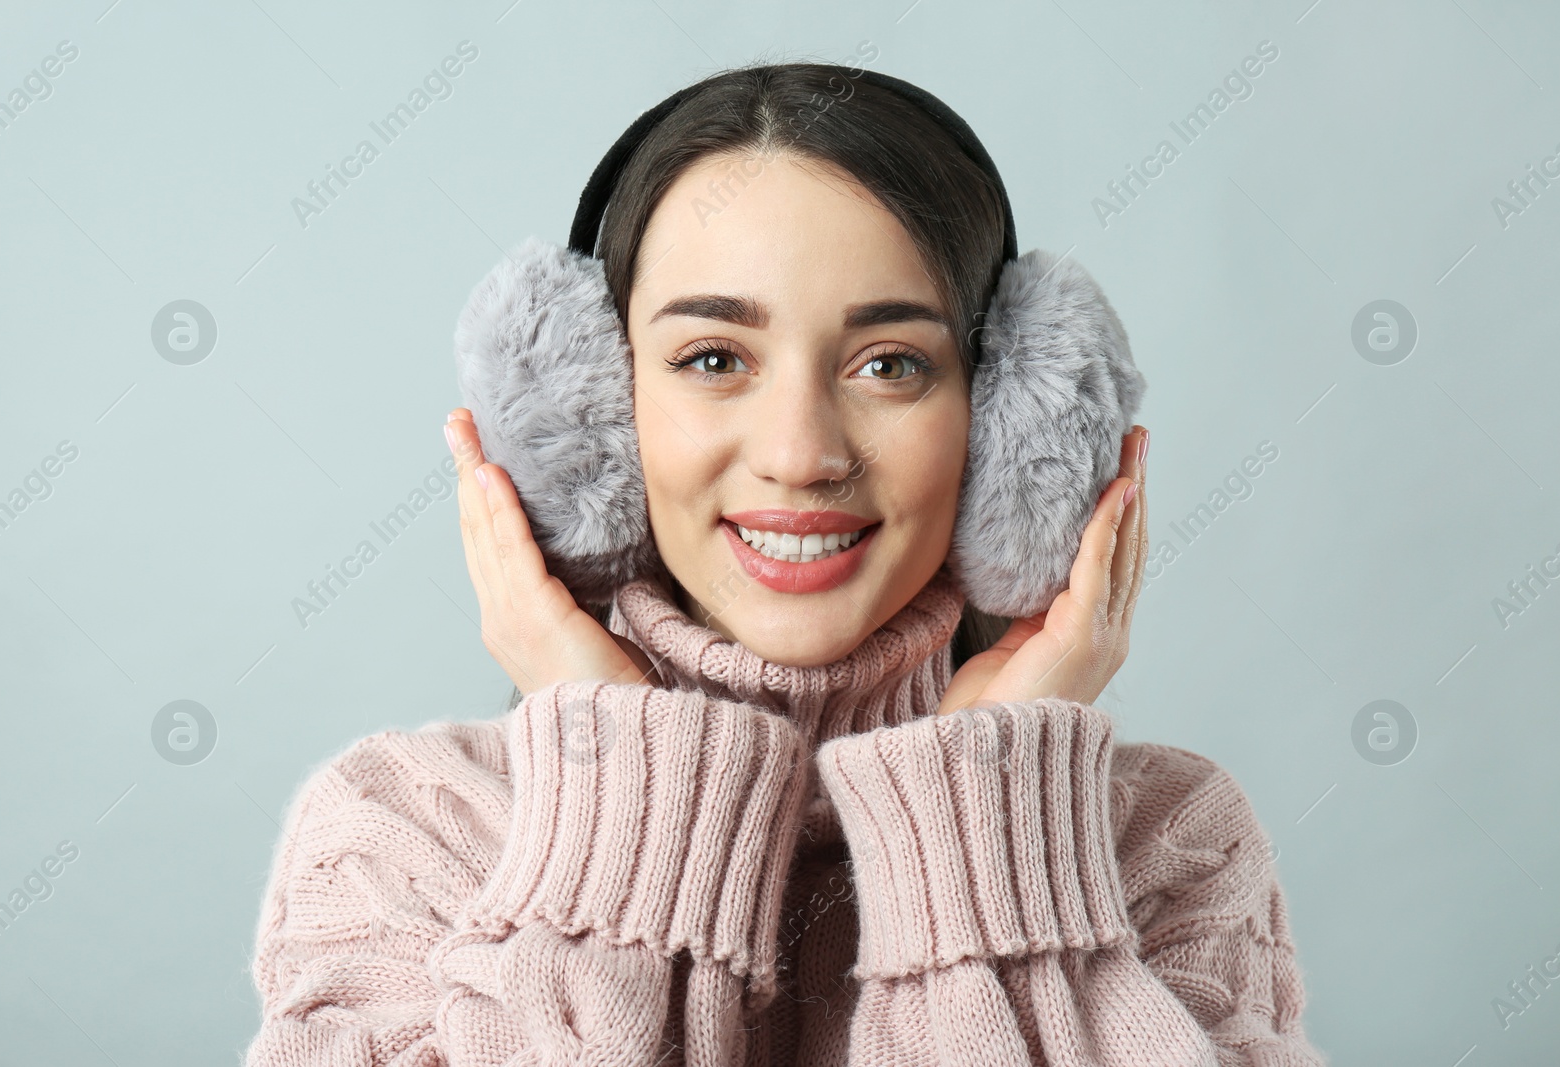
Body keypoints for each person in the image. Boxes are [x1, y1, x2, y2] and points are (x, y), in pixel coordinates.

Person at [242, 61, 1327, 1065]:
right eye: (713, 358)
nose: (802, 453)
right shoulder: (404, 835)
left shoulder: (1168, 848)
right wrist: (625, 793)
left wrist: (993, 812)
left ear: (1006, 429)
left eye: (890, 362)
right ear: (592, 417)